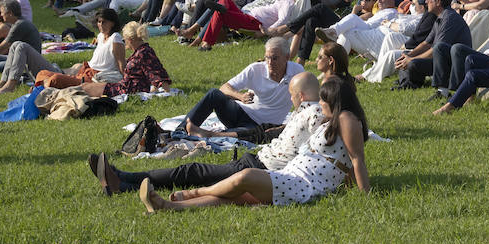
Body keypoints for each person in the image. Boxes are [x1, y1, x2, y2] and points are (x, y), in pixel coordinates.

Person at [140, 75, 369, 211]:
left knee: (245, 177)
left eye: (323, 99)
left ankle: (192, 193)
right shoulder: (334, 121)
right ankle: (167, 206)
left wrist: (365, 195)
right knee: (230, 198)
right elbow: (346, 161)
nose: (319, 103)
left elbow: (356, 159)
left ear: (335, 100)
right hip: (294, 175)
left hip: (304, 183)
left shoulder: (346, 118)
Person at [89, 73, 325, 196]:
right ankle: (124, 182)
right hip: (256, 159)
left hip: (260, 168)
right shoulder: (304, 112)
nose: (290, 98)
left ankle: (124, 179)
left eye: (292, 94)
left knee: (192, 171)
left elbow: (317, 153)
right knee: (195, 174)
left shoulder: (314, 115)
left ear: (301, 96)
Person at [180, 37, 303, 137]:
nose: (270, 62)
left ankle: (207, 134)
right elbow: (225, 87)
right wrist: (239, 96)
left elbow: (306, 97)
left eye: (275, 58)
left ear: (287, 57)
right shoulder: (255, 69)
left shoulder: (297, 72)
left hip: (260, 125)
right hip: (239, 111)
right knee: (214, 94)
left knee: (250, 136)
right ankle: (180, 131)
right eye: (267, 57)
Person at [394, 0, 471, 93]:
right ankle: (405, 82)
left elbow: (437, 49)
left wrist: (411, 59)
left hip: (450, 63)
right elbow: (426, 43)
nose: (426, 2)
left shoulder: (449, 18)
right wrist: (409, 55)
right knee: (405, 54)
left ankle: (410, 83)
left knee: (413, 63)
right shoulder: (440, 17)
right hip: (441, 59)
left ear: (438, 2)